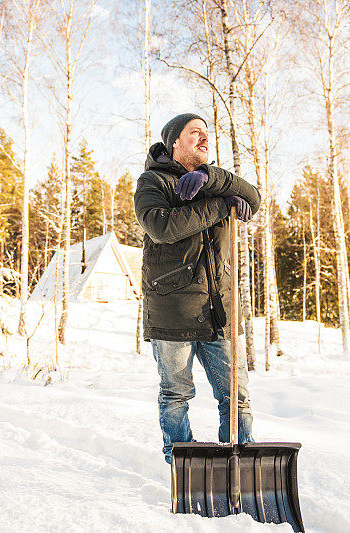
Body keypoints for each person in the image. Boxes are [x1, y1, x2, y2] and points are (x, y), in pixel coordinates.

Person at [134, 113, 261, 463]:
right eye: (195, 133)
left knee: (236, 395)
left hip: (219, 310)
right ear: (176, 141)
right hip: (172, 310)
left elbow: (253, 195)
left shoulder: (214, 180)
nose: (204, 138)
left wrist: (209, 178)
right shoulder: (152, 181)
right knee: (176, 394)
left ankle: (242, 464)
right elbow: (160, 226)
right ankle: (182, 465)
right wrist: (220, 204)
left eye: (207, 133)